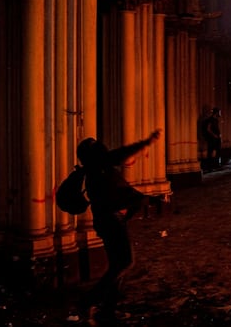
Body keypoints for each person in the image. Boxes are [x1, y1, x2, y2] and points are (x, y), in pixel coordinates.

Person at [75, 130, 163, 325]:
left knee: (117, 264)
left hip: (110, 221)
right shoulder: (99, 170)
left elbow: (122, 186)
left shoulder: (100, 169)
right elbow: (117, 192)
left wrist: (148, 199)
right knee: (125, 262)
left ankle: (108, 310)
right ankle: (88, 301)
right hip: (110, 222)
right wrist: (146, 142)